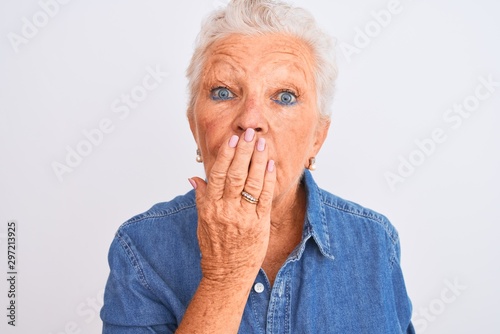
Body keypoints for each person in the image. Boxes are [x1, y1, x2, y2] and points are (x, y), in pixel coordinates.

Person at [100, 0, 415, 332]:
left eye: (284, 97)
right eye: (223, 92)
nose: (250, 121)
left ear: (317, 137)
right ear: (195, 127)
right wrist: (225, 274)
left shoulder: (375, 242)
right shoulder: (140, 248)